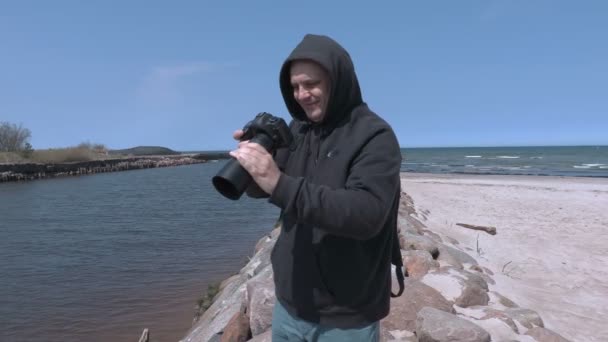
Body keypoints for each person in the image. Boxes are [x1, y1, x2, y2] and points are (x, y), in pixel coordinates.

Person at [230, 33, 403, 342]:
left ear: (338, 81)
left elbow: (367, 214)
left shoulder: (375, 136)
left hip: (347, 316)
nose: (301, 94)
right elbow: (267, 187)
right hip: (291, 302)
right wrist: (252, 164)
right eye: (295, 87)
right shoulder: (298, 130)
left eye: (311, 84)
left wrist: (279, 183)